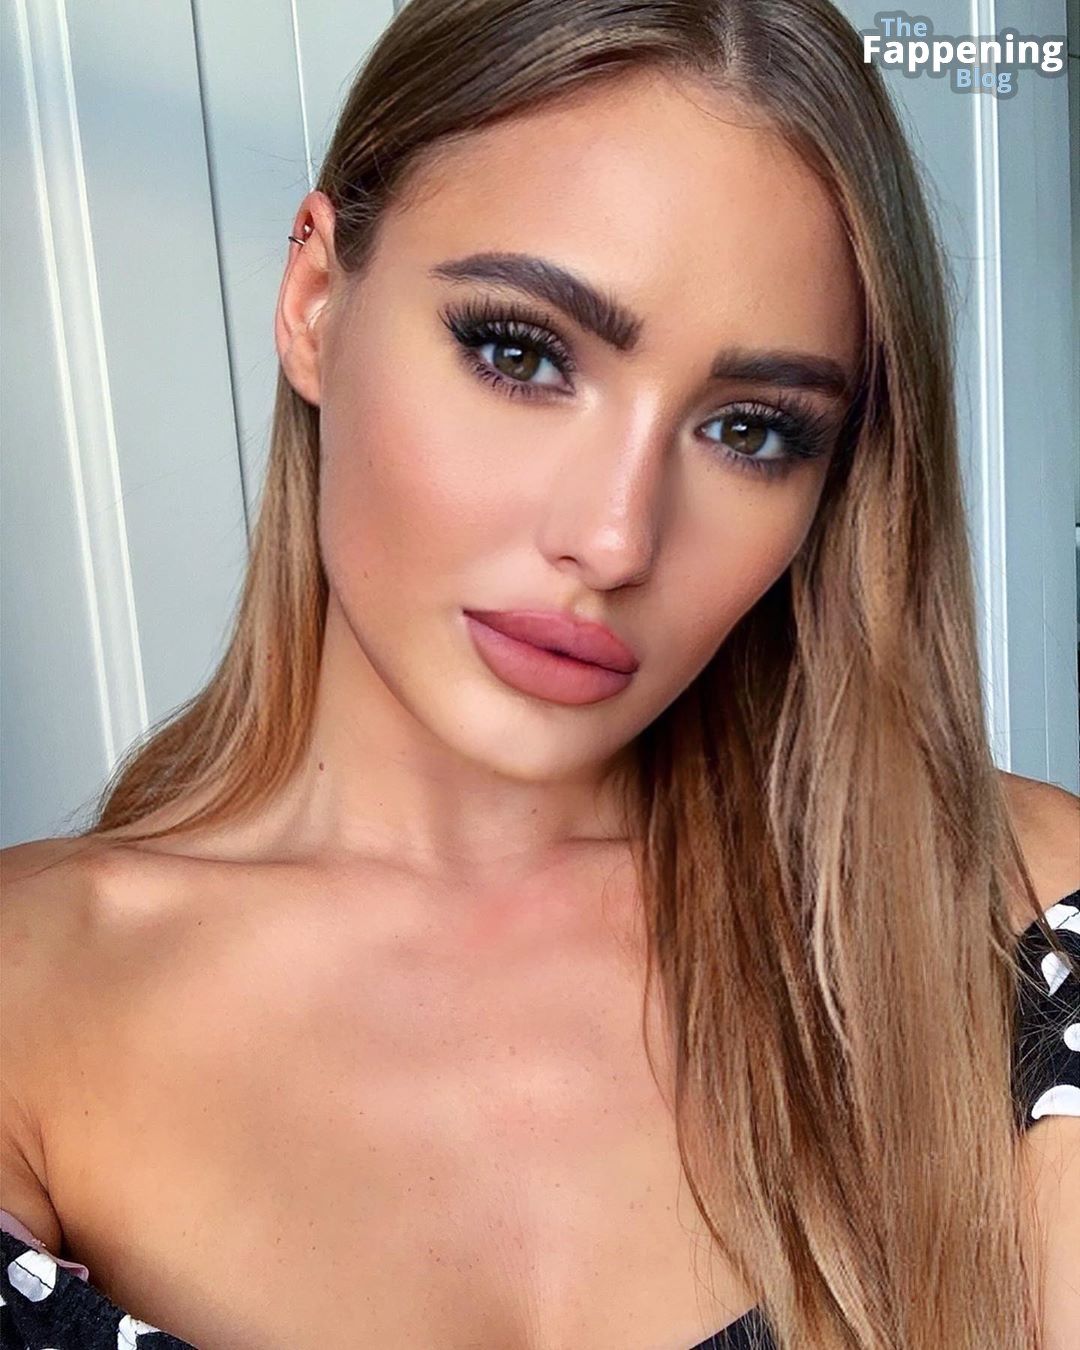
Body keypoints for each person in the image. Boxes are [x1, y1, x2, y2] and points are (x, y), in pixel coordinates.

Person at [2, 0, 1078, 1346]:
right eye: (520, 354)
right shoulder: (29, 993)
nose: (615, 539)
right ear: (316, 305)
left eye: (752, 431)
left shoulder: (1011, 915)